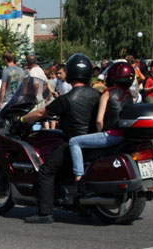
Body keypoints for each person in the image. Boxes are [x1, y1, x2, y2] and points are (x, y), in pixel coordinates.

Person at [21, 53, 102, 223]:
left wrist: (22, 119)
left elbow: (43, 112)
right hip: (95, 142)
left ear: (70, 73)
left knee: (46, 171)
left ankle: (45, 213)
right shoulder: (97, 96)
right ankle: (80, 205)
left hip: (73, 143)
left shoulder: (67, 99)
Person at [68, 61, 134, 181]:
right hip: (124, 136)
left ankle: (79, 176)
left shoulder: (107, 93)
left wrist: (99, 131)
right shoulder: (129, 95)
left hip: (111, 136)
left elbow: (99, 120)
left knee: (74, 142)